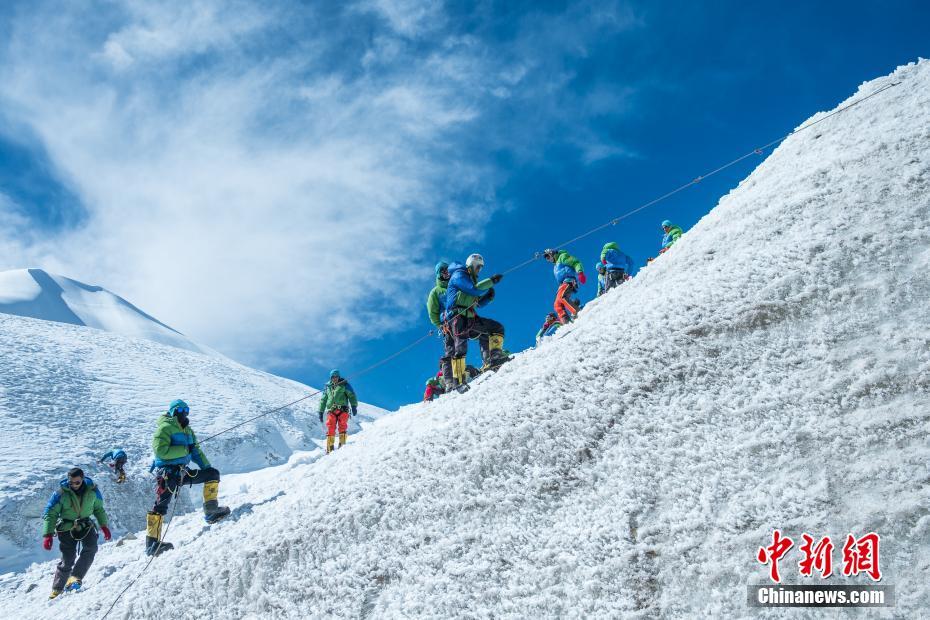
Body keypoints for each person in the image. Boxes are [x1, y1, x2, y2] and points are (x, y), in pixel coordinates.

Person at [146, 399, 229, 557]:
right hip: (168, 473)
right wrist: (184, 450)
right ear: (173, 412)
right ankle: (151, 545)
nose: (184, 413)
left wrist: (207, 467)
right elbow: (161, 451)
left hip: (184, 472)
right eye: (180, 410)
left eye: (186, 410)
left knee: (213, 474)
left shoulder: (188, 431)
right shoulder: (164, 428)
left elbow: (195, 451)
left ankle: (211, 511)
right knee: (161, 505)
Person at [41, 467, 111, 598]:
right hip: (67, 526)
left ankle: (75, 577)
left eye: (77, 482)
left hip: (85, 524)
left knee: (91, 548)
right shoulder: (61, 493)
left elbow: (99, 509)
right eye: (71, 482)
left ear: (83, 479)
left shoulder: (93, 491)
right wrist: (48, 535)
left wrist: (104, 526)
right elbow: (51, 513)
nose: (73, 485)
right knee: (68, 558)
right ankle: (57, 588)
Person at [443, 253, 507, 386]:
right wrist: (491, 281)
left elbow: (477, 303)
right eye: (478, 266)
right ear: (471, 265)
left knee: (496, 328)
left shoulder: (472, 280)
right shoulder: (459, 275)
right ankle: (458, 382)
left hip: (470, 318)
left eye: (481, 268)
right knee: (460, 348)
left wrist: (488, 298)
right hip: (457, 317)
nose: (479, 270)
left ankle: (494, 358)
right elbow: (473, 290)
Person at [426, 261, 454, 391]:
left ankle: (490, 358)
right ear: (439, 274)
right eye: (443, 271)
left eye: (447, 270)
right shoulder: (436, 292)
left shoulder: (456, 285)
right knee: (451, 349)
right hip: (448, 323)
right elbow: (432, 312)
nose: (446, 273)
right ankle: (449, 381)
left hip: (464, 319)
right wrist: (440, 325)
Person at [318, 370, 359, 453]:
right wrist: (321, 411)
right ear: (331, 378)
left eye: (336, 376)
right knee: (330, 427)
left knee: (342, 426)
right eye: (332, 377)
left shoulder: (344, 384)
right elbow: (323, 400)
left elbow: (351, 395)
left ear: (339, 377)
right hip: (331, 411)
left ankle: (342, 445)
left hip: (343, 410)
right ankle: (330, 448)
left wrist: (354, 406)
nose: (334, 378)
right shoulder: (327, 387)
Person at [543, 248, 585, 324]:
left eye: (548, 257)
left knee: (563, 296)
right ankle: (566, 322)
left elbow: (575, 262)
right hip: (562, 284)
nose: (548, 260)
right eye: (547, 259)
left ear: (551, 253)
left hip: (569, 280)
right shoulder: (555, 267)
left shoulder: (562, 257)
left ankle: (578, 312)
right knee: (557, 304)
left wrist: (580, 272)